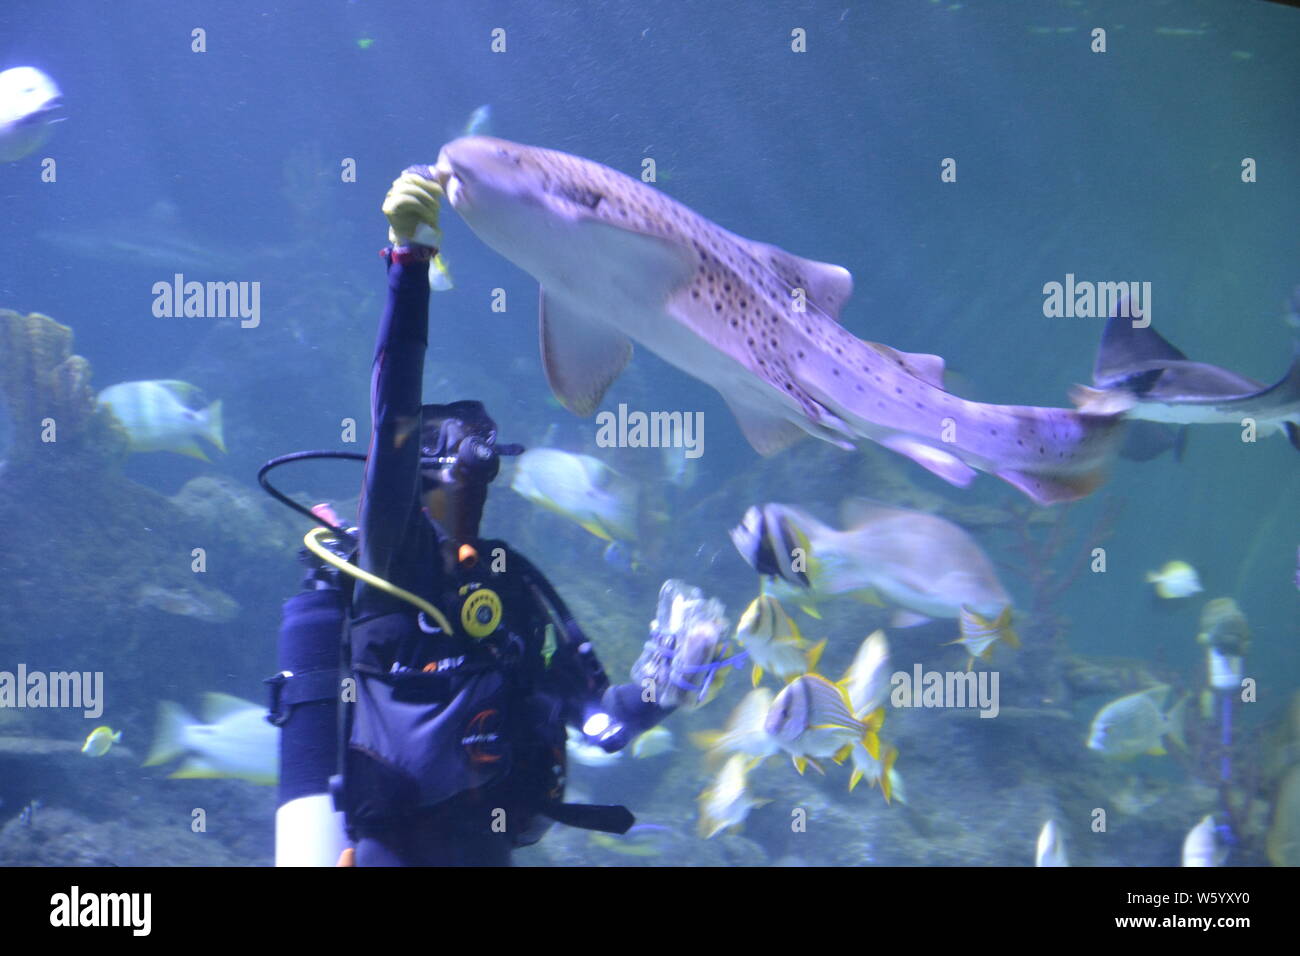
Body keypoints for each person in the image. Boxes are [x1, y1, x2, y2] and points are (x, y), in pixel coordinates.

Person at [300, 169, 726, 866]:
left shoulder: (513, 589)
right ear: (419, 481)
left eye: (487, 473)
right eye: (463, 470)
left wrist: (658, 695)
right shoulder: (387, 565)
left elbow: (595, 724)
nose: (478, 487)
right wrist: (410, 262)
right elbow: (394, 414)